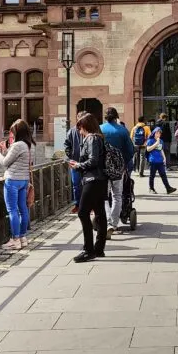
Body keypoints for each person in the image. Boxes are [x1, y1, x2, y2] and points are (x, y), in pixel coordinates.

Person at [69, 112, 109, 263]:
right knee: (99, 213)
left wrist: (78, 165)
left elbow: (93, 160)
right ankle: (99, 248)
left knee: (83, 213)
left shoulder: (91, 138)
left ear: (85, 126)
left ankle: (88, 249)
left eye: (80, 128)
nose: (79, 132)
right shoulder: (99, 137)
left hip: (92, 180)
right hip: (100, 180)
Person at [0, 119, 34, 251]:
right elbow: (15, 160)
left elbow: (5, 162)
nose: (11, 134)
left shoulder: (18, 145)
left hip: (13, 181)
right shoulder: (28, 145)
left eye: (13, 131)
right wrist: (7, 149)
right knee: (23, 209)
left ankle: (15, 240)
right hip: (23, 180)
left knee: (12, 210)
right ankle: (22, 238)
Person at [101, 107, 134, 234]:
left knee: (103, 197)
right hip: (119, 169)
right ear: (116, 117)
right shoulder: (122, 130)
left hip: (103, 169)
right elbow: (130, 151)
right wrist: (124, 164)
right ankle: (114, 223)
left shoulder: (100, 129)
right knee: (117, 196)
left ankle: (108, 220)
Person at [145, 124, 177, 194]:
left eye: (159, 133)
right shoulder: (150, 140)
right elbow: (148, 149)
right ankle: (151, 188)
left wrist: (164, 158)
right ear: (154, 133)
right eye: (157, 133)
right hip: (152, 161)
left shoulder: (161, 141)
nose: (158, 134)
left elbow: (161, 149)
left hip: (160, 161)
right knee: (152, 175)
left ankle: (168, 188)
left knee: (163, 175)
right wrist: (156, 143)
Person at [64, 121, 83, 213]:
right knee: (76, 185)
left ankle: (88, 205)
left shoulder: (88, 130)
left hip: (86, 163)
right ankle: (77, 204)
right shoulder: (72, 131)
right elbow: (67, 144)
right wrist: (70, 156)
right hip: (75, 162)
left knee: (87, 185)